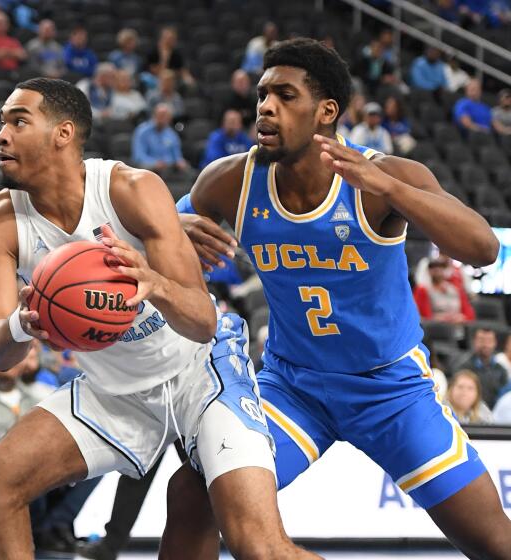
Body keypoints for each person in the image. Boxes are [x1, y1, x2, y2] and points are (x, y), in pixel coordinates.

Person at [165, 37, 511, 559]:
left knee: (494, 543)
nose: (265, 107)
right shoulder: (231, 180)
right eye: (262, 95)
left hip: (389, 390)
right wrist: (173, 226)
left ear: (326, 111)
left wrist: (392, 190)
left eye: (284, 95)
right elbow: (155, 235)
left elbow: (483, 248)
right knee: (193, 491)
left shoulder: (384, 178)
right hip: (293, 387)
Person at [0, 77, 315, 560]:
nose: (1, 135)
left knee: (258, 545)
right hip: (115, 390)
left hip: (202, 373)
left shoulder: (131, 189)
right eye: (2, 122)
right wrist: (23, 324)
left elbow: (202, 322)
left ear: (63, 133)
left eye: (18, 121)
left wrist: (155, 283)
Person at [451, 328, 508, 408]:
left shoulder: (501, 370)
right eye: (482, 340)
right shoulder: (463, 367)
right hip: (468, 411)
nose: (486, 345)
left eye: (489, 341)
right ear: (474, 342)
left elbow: (505, 398)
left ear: (495, 343)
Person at [413, 256, 475, 325]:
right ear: (428, 271)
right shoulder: (423, 290)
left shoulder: (456, 289)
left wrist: (462, 317)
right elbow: (420, 315)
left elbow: (469, 314)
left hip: (457, 327)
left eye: (441, 267)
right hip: (434, 327)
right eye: (433, 267)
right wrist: (436, 318)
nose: (437, 270)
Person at [131, 103, 189, 175]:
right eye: (160, 115)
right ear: (154, 115)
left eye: (165, 115)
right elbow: (138, 157)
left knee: (187, 170)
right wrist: (155, 163)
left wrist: (180, 161)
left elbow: (177, 156)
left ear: (169, 118)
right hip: (150, 168)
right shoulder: (142, 131)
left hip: (169, 167)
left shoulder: (171, 134)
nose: (162, 118)